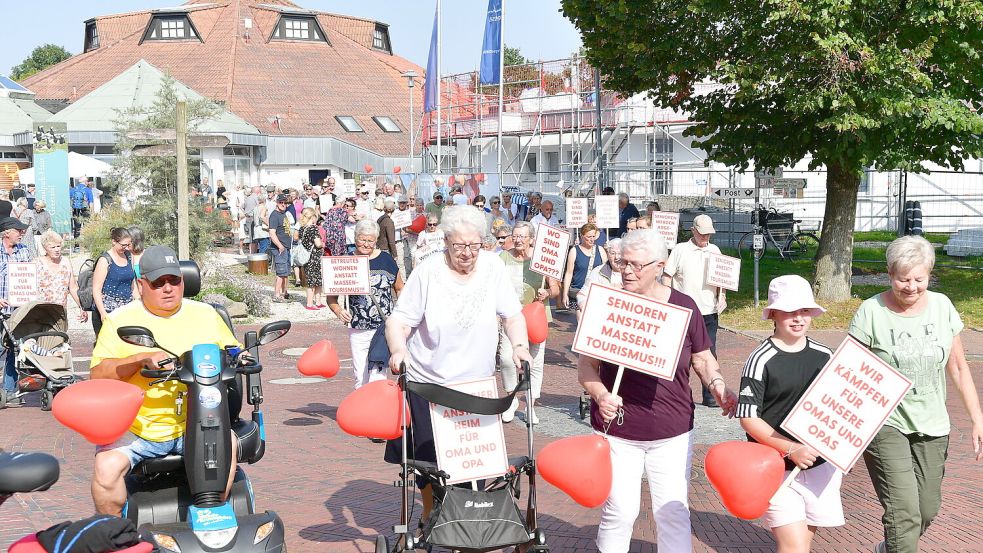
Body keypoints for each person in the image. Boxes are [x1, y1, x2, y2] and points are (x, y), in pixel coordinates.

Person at [577, 228, 737, 553]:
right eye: (623, 263)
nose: (627, 271)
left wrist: (718, 386)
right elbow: (586, 367)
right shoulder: (609, 303)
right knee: (619, 511)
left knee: (674, 513)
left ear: (660, 265)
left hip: (672, 429)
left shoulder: (684, 307)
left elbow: (703, 359)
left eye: (636, 265)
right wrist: (601, 395)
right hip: (619, 428)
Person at [385, 205, 533, 523]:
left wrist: (520, 346)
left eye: (474, 245)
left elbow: (513, 315)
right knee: (427, 457)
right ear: (446, 241)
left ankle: (467, 518)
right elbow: (399, 321)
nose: (467, 253)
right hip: (429, 382)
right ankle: (429, 511)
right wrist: (398, 350)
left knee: (472, 458)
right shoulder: (428, 272)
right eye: (459, 246)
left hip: (474, 384)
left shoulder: (493, 268)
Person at [848, 236, 983, 553]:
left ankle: (888, 548)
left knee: (926, 509)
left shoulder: (942, 307)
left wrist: (978, 420)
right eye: (902, 279)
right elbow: (848, 376)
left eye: (918, 279)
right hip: (885, 423)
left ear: (929, 275)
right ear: (889, 274)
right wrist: (845, 439)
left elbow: (960, 369)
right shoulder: (871, 312)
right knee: (904, 514)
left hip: (934, 425)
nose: (910, 286)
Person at [89, 245, 243, 516]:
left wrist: (241, 355)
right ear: (141, 284)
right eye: (158, 282)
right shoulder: (119, 321)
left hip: (198, 422)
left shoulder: (206, 314)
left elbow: (232, 350)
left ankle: (212, 520)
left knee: (227, 443)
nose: (168, 288)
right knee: (105, 469)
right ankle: (112, 534)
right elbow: (97, 375)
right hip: (138, 428)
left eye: (174, 280)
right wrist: (139, 359)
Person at [738, 275, 843, 552]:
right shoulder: (760, 359)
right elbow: (748, 418)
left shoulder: (825, 355)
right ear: (773, 313)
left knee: (801, 546)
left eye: (804, 311)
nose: (798, 318)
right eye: (789, 311)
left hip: (821, 467)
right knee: (793, 547)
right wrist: (789, 449)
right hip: (776, 467)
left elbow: (841, 406)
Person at [329, 219, 404, 390]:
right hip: (358, 327)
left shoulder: (386, 259)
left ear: (376, 240)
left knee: (378, 375)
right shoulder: (345, 261)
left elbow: (400, 288)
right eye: (362, 239)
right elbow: (331, 298)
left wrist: (400, 314)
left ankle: (378, 413)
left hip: (383, 327)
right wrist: (339, 311)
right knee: (361, 376)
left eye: (370, 240)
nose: (366, 244)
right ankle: (362, 413)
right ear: (355, 238)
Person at [664, 214, 727, 407]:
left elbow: (723, 277)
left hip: (708, 311)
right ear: (693, 231)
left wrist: (722, 296)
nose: (706, 238)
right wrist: (668, 300)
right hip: (683, 312)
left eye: (708, 235)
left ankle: (710, 395)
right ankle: (676, 394)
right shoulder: (680, 250)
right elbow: (667, 276)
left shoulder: (714, 250)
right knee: (680, 356)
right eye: (702, 234)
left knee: (709, 353)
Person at [499, 221, 559, 423]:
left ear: (531, 239)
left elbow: (556, 289)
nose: (517, 240)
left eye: (522, 237)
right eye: (514, 236)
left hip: (536, 317)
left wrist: (548, 292)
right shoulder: (503, 258)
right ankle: (511, 399)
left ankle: (530, 406)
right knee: (507, 359)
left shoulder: (542, 260)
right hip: (511, 317)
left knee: (535, 363)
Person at [0, 217, 33, 405]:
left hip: (18, 310)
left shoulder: (24, 251)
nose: (21, 233)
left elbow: (29, 276)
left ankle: (9, 390)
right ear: (6, 232)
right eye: (17, 230)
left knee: (14, 349)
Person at [91, 227, 137, 337]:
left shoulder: (129, 257)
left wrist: (139, 304)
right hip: (108, 311)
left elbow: (133, 286)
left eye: (128, 245)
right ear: (114, 242)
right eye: (123, 245)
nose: (126, 248)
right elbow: (96, 289)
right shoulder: (105, 260)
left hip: (126, 311)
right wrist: (103, 313)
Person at [36, 230, 88, 322]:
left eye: (58, 246)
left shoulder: (66, 262)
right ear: (45, 248)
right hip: (39, 312)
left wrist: (81, 306)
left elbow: (73, 287)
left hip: (60, 312)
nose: (56, 249)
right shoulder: (37, 263)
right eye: (52, 247)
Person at [560, 223, 607, 311]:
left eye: (593, 236)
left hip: (596, 292)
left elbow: (607, 272)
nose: (592, 239)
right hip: (578, 291)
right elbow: (569, 273)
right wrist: (565, 294)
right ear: (582, 236)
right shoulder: (574, 251)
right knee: (581, 322)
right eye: (589, 237)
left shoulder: (600, 250)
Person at [576, 238, 623, 321]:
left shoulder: (634, 272)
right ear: (608, 254)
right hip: (603, 320)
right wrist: (584, 305)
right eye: (613, 253)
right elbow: (582, 294)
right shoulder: (597, 272)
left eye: (620, 253)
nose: (617, 257)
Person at [297, 207, 324, 310]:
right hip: (314, 257)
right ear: (312, 217)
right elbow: (317, 244)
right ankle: (310, 303)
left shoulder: (302, 228)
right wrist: (322, 244)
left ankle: (317, 302)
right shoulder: (313, 228)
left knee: (314, 280)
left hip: (306, 257)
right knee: (314, 281)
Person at [268, 194, 293, 302]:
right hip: (280, 248)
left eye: (285, 203)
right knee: (281, 272)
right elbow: (272, 233)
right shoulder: (274, 215)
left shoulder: (283, 214)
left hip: (286, 247)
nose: (283, 204)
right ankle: (276, 295)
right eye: (281, 202)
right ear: (277, 203)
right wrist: (280, 246)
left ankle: (284, 292)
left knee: (286, 271)